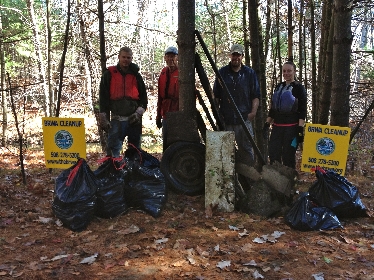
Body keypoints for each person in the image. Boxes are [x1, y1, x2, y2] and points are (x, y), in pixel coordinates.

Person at [213, 44, 260, 165]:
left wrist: (253, 113)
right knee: (224, 152)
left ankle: (248, 180)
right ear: (230, 56)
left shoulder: (249, 74)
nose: (236, 57)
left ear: (242, 56)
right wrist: (217, 114)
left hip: (243, 120)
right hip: (226, 120)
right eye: (234, 55)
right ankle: (227, 181)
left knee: (246, 150)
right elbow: (216, 96)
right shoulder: (222, 73)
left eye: (238, 55)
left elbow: (255, 96)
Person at [98, 46, 148, 158]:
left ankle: (133, 172)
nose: (126, 60)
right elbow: (103, 98)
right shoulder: (109, 74)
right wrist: (103, 117)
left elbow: (144, 99)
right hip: (117, 119)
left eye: (128, 57)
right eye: (124, 57)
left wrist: (138, 113)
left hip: (134, 119)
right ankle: (113, 172)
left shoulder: (136, 76)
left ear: (131, 59)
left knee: (135, 150)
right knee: (113, 150)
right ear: (119, 57)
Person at [263, 60, 307, 169]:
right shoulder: (279, 86)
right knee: (273, 153)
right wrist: (267, 124)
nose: (286, 73)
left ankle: (290, 181)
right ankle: (276, 179)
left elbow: (302, 110)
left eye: (289, 71)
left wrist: (300, 129)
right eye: (284, 71)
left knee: (288, 155)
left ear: (294, 72)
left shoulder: (299, 88)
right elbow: (273, 108)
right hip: (277, 126)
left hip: (292, 128)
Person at [156, 46, 179, 152]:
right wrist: (158, 115)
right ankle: (166, 165)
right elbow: (160, 96)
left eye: (173, 56)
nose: (170, 59)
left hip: (178, 113)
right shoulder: (163, 72)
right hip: (166, 113)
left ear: (177, 58)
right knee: (166, 141)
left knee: (177, 141)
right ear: (165, 58)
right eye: (168, 56)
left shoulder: (182, 72)